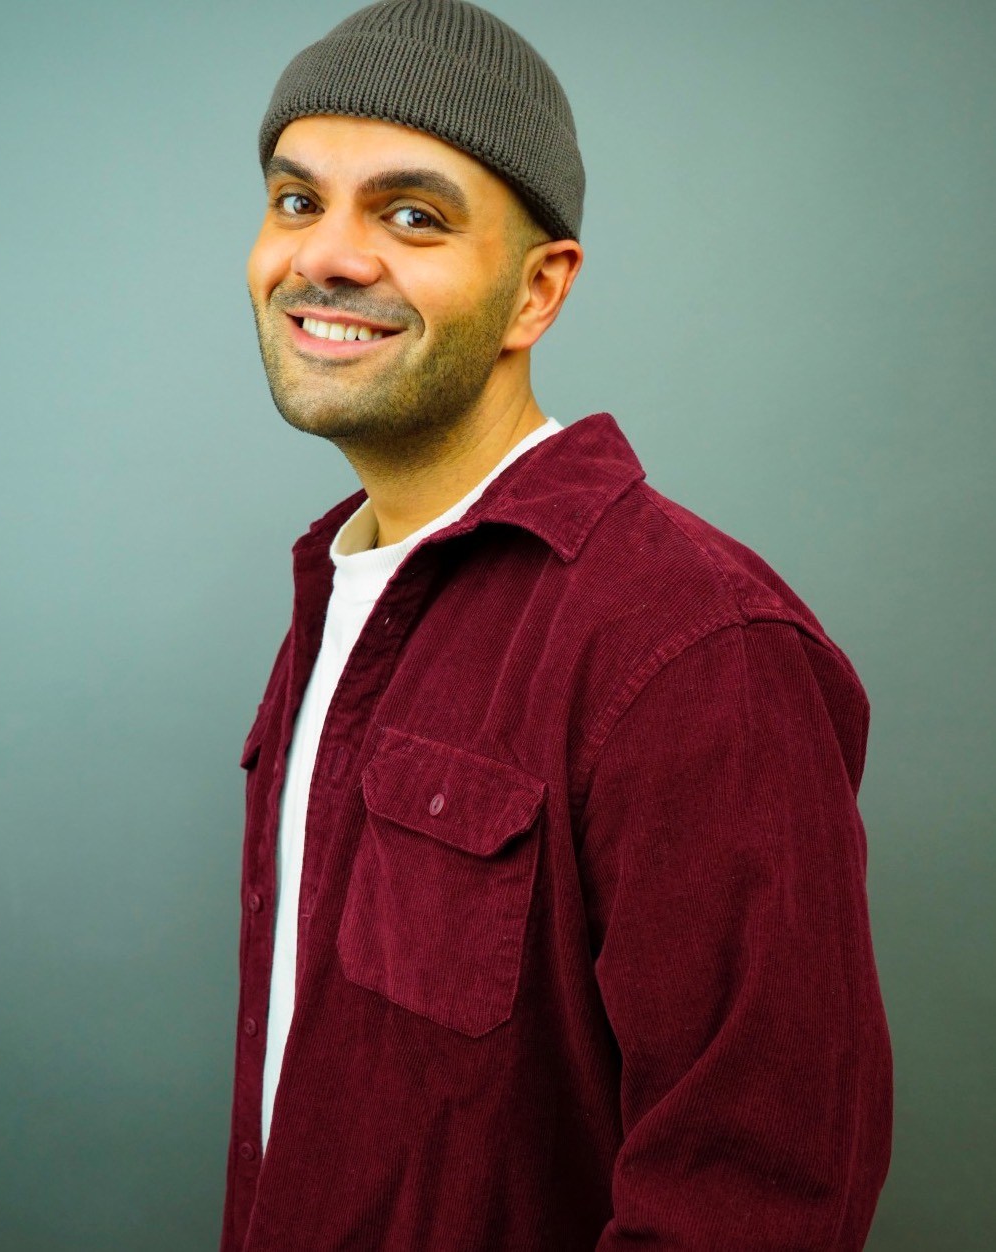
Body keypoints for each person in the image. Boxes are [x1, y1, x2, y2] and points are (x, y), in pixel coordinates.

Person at [222, 2, 893, 1249]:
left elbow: (758, 1200)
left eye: (412, 216)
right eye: (298, 200)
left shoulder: (693, 644)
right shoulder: (343, 591)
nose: (329, 256)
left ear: (536, 290)